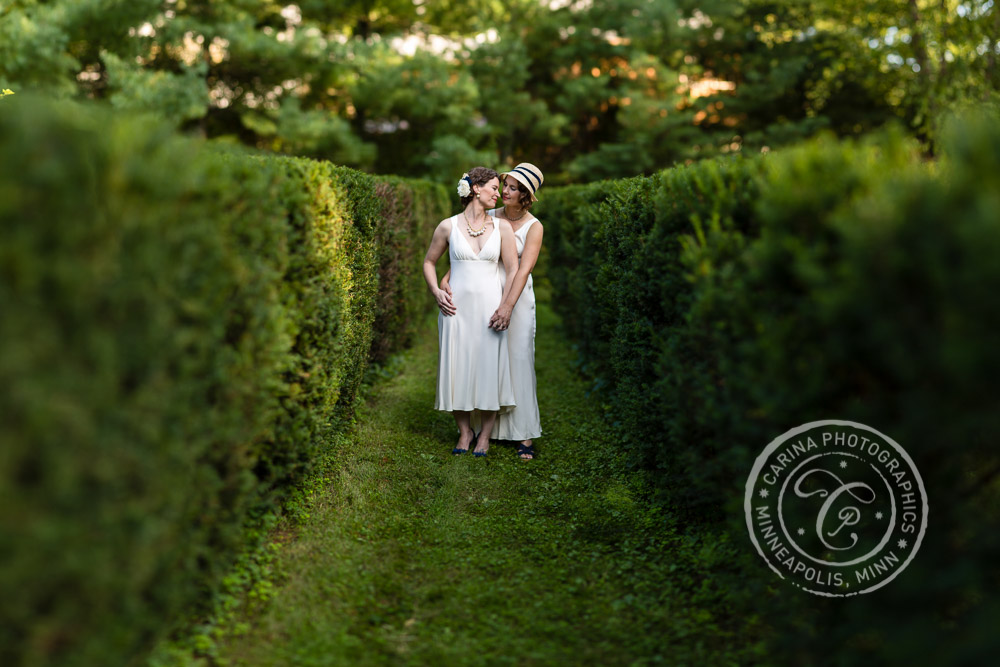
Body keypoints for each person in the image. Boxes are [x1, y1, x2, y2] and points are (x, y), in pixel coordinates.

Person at [442, 163, 545, 460]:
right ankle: (487, 430)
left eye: (513, 188)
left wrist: (509, 306)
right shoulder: (491, 215)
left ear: (526, 195)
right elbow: (469, 248)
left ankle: (524, 432)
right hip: (485, 296)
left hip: (516, 297)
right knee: (488, 359)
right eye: (506, 185)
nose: (506, 192)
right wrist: (448, 276)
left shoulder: (534, 227)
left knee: (519, 360)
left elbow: (523, 270)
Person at [422, 167, 519, 457]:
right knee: (458, 369)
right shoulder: (447, 226)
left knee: (490, 369)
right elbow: (429, 262)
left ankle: (485, 435)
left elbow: (513, 269)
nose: (497, 193)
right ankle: (465, 432)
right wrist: (437, 291)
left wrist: (506, 306)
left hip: (491, 310)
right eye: (492, 187)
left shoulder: (501, 227)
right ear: (475, 189)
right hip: (456, 311)